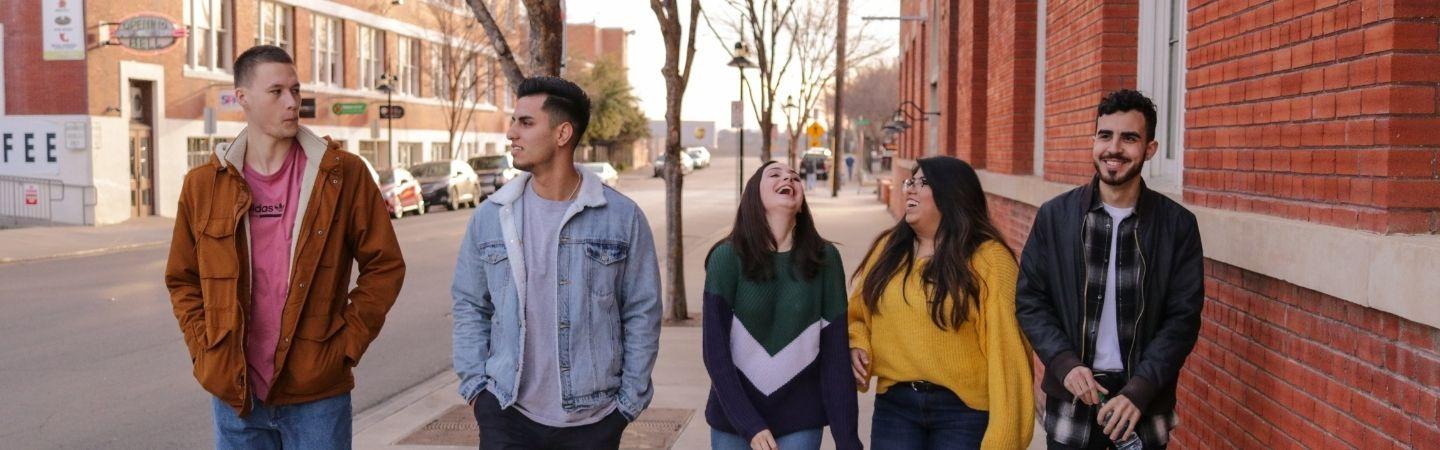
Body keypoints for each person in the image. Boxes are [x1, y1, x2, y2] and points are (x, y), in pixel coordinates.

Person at [165, 45, 406, 449]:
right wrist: (206, 349)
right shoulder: (203, 185)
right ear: (242, 98)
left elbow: (385, 266)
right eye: (277, 92)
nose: (293, 102)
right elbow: (182, 279)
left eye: (295, 90)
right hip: (236, 396)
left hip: (316, 394)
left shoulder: (342, 175)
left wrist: (345, 345)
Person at [452, 76, 663, 450]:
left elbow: (642, 312)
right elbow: (469, 304)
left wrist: (627, 404)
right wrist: (476, 391)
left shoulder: (621, 217)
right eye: (514, 121)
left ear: (563, 133)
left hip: (593, 420)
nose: (510, 133)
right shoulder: (491, 216)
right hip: (506, 413)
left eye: (525, 122)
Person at [1015, 89, 1204, 450]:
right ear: (1094, 141)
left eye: (1129, 138)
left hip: (1141, 405)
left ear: (1149, 149)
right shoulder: (1056, 217)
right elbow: (1031, 301)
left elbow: (1182, 319)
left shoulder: (1177, 226)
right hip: (1073, 398)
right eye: (1105, 135)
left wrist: (1140, 390)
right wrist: (1065, 364)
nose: (1114, 148)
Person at [848, 156, 1035, 449]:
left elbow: (1008, 353)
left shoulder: (989, 260)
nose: (909, 189)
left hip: (963, 413)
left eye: (923, 183)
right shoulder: (889, 250)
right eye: (910, 181)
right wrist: (858, 343)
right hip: (895, 408)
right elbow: (858, 314)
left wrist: (1004, 439)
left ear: (952, 194)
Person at [702, 161, 863, 450]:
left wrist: (848, 440)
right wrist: (749, 424)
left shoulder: (825, 260)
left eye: (795, 177)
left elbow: (835, 358)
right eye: (774, 174)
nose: (788, 178)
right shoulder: (726, 258)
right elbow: (715, 354)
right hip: (733, 421)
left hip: (800, 419)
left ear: (801, 203)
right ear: (754, 195)